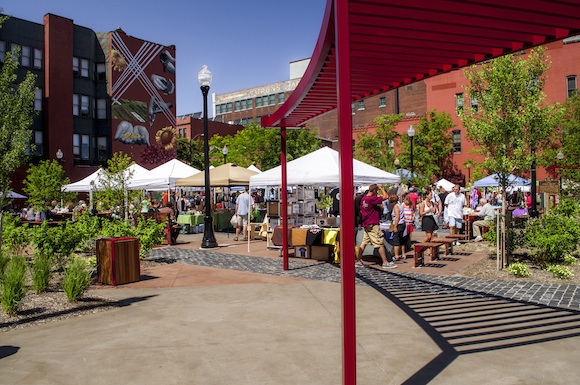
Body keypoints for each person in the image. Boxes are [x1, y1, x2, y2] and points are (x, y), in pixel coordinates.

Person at [356, 184, 396, 269]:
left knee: (364, 242)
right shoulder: (371, 199)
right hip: (373, 224)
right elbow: (386, 196)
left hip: (366, 224)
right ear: (374, 191)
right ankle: (385, 262)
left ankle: (358, 260)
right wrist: (382, 188)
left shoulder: (364, 199)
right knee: (379, 242)